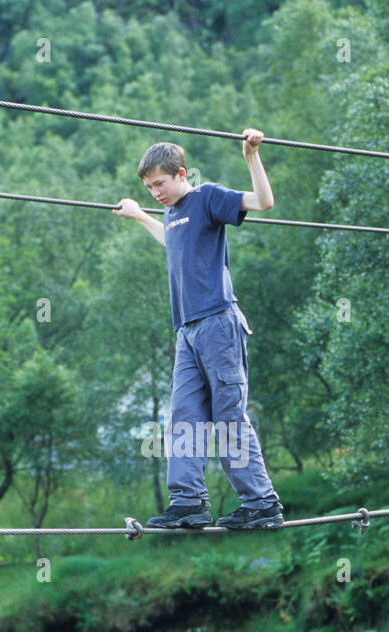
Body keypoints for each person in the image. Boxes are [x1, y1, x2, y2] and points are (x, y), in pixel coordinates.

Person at [113, 129, 284, 530]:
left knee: (228, 420)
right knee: (184, 420)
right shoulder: (171, 214)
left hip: (218, 324)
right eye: (148, 187)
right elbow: (171, 243)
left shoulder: (206, 197)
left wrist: (250, 156)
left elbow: (264, 201)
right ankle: (188, 502)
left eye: (159, 184)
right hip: (186, 332)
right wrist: (140, 214)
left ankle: (261, 503)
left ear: (180, 174)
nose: (155, 192)